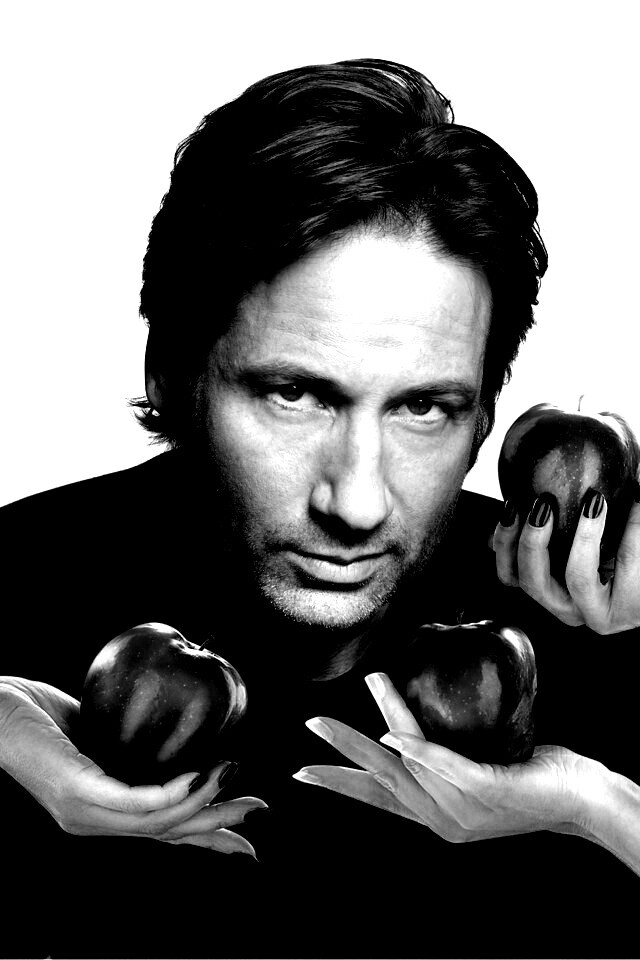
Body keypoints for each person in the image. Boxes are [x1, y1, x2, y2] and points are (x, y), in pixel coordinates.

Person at [1, 58, 639, 960]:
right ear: (172, 377)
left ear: (485, 417)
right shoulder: (15, 585)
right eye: (295, 394)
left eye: (424, 407)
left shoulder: (599, 630)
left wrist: (600, 805)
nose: (358, 501)